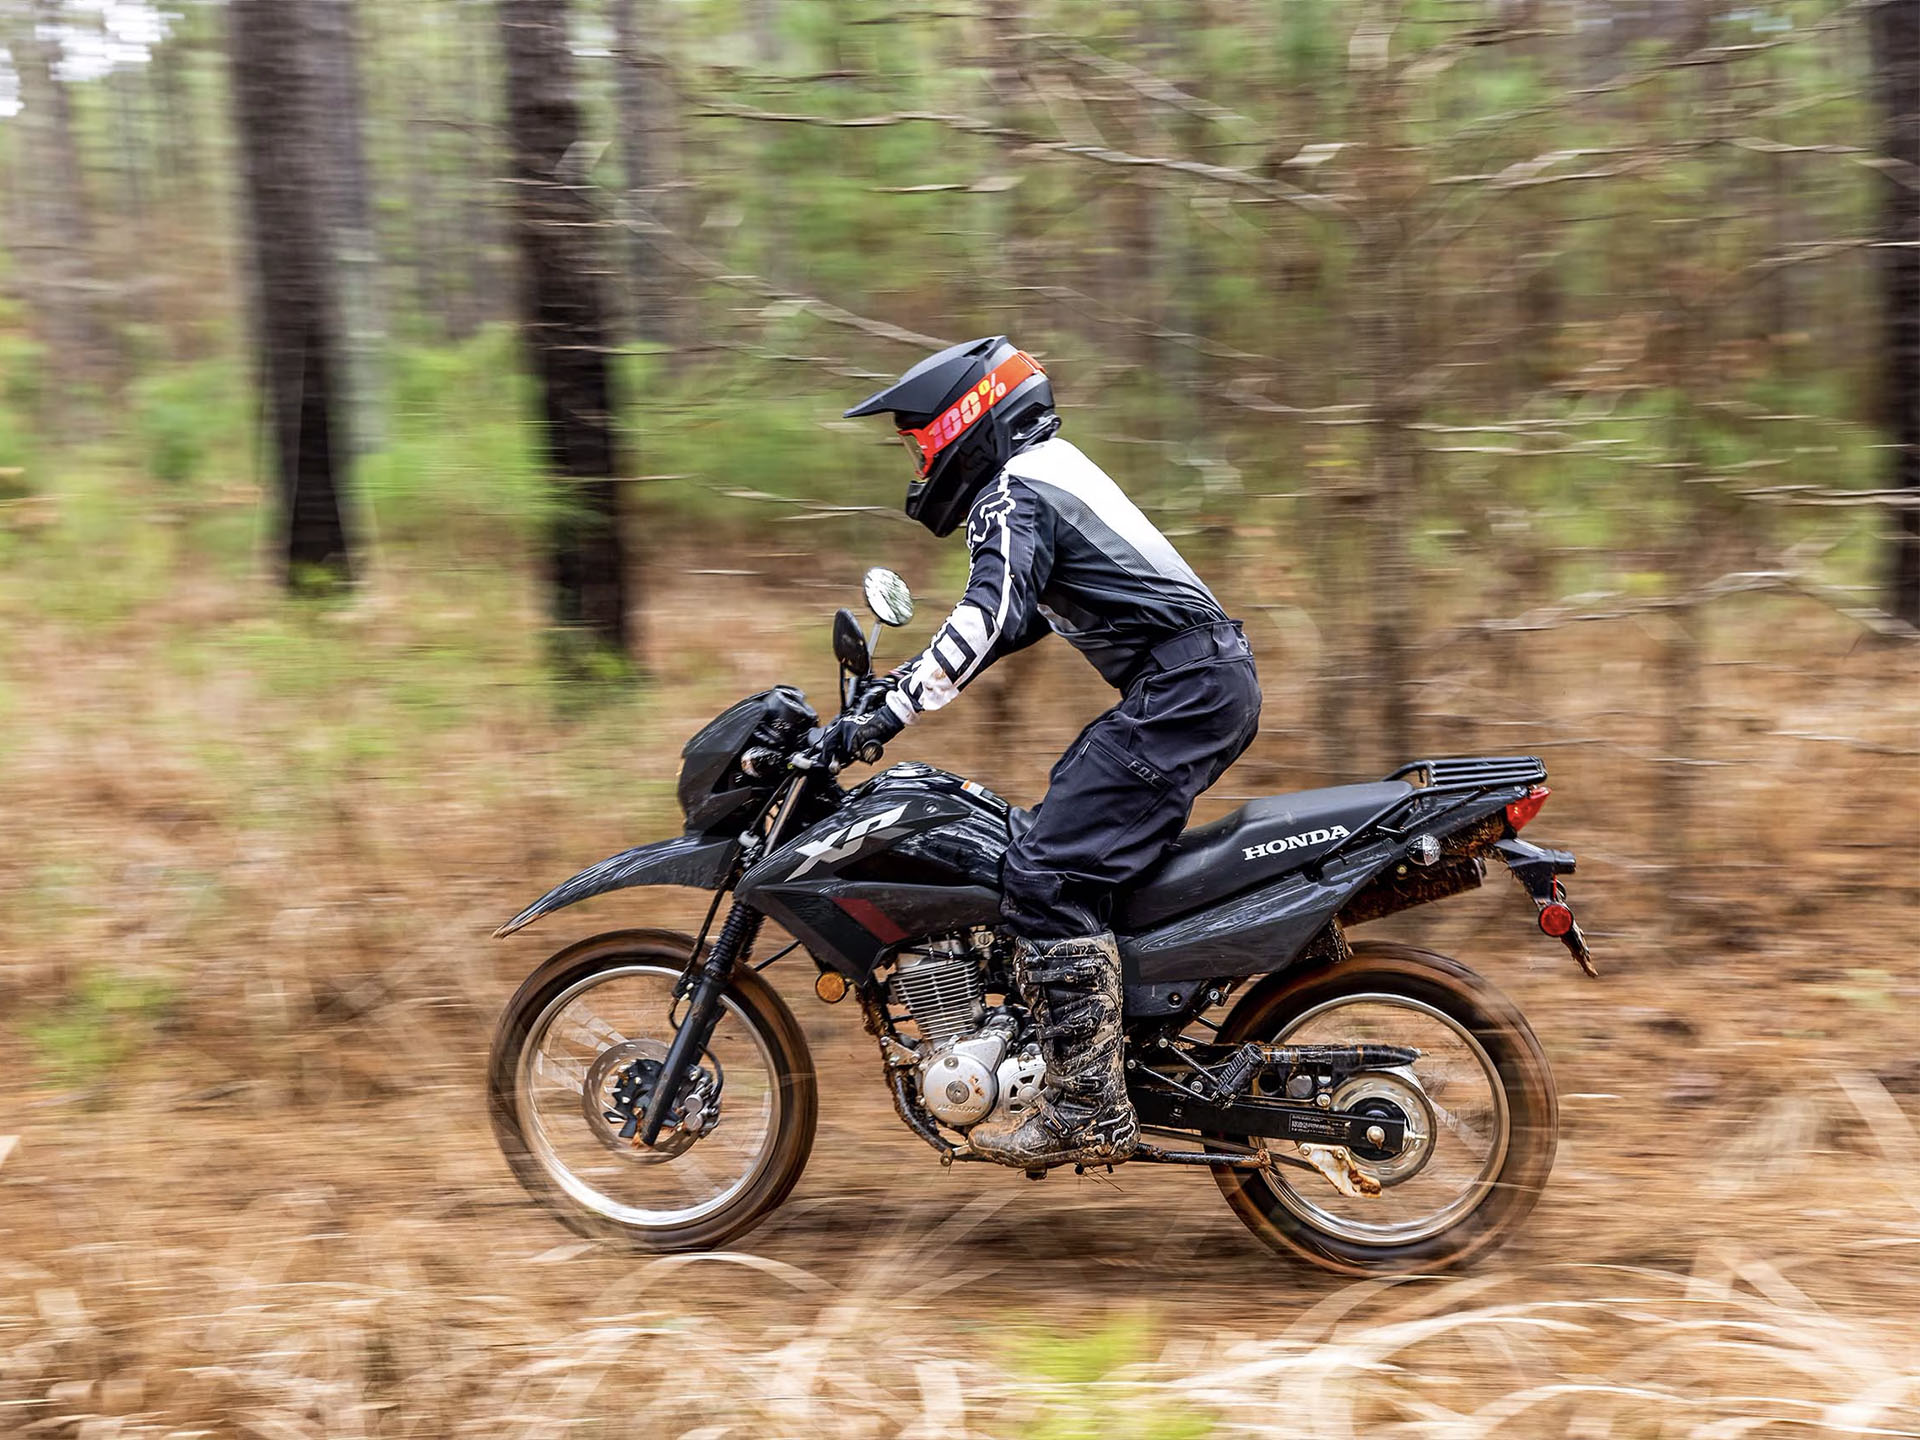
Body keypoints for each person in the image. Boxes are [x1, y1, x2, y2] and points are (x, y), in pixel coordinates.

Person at [824, 336, 1262, 1170]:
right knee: (1053, 850)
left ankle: (1090, 1105)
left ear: (967, 419)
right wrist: (896, 690)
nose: (920, 463)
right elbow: (1012, 620)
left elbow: (985, 616)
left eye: (921, 442)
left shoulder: (1015, 491)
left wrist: (888, 714)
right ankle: (1098, 1046)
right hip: (1192, 685)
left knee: (1044, 878)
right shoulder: (1044, 474)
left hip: (1186, 690)